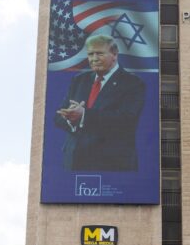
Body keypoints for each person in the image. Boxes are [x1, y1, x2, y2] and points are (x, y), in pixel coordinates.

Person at [55, 34, 145, 171]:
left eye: (99, 54)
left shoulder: (133, 83)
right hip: (75, 161)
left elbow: (126, 120)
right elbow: (58, 116)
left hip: (112, 164)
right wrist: (70, 118)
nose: (94, 59)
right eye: (90, 54)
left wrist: (84, 115)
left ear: (114, 55)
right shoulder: (79, 80)